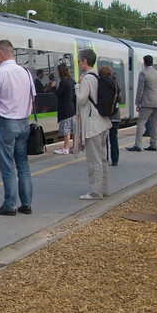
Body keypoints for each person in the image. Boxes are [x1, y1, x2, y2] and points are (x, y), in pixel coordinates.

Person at [0, 39, 35, 216]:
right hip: (23, 123)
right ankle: (27, 204)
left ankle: (10, 204)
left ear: (0, 54)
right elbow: (32, 99)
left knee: (7, 166)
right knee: (23, 165)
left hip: (5, 124)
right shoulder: (26, 73)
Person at [75, 50, 112, 200]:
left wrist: (76, 86)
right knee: (102, 159)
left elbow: (82, 99)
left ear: (84, 61)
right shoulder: (97, 76)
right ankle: (104, 189)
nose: (78, 64)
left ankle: (95, 192)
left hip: (93, 125)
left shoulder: (86, 79)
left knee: (94, 160)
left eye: (79, 61)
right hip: (103, 123)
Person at [127, 55, 157, 152]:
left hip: (147, 102)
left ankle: (138, 144)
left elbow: (140, 89)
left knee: (141, 122)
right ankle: (154, 144)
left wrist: (137, 102)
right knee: (155, 123)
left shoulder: (143, 73)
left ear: (144, 63)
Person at [52, 63, 75, 155]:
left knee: (66, 130)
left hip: (65, 109)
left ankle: (65, 148)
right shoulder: (72, 81)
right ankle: (74, 146)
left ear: (60, 72)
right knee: (73, 129)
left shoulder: (63, 82)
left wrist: (53, 87)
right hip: (72, 108)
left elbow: (58, 93)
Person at [105, 68, 122, 166]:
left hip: (107, 116)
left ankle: (105, 159)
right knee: (114, 138)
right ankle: (115, 160)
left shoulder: (106, 87)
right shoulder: (117, 87)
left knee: (105, 139)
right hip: (116, 116)